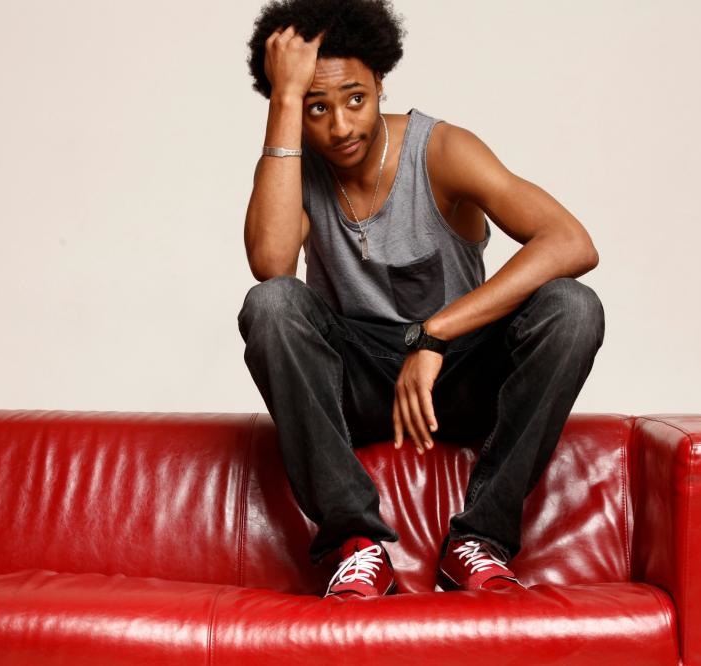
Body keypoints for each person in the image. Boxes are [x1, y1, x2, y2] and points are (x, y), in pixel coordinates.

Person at [238, 0, 604, 598]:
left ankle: (480, 540)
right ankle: (355, 543)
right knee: (272, 306)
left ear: (381, 80)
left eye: (356, 99)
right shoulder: (294, 165)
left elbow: (571, 242)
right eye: (317, 108)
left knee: (573, 307)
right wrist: (283, 102)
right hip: (359, 385)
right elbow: (271, 267)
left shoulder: (441, 149)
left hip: (457, 375)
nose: (341, 128)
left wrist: (435, 334)